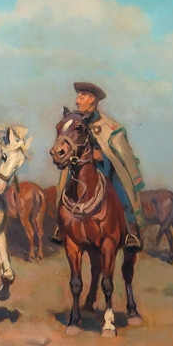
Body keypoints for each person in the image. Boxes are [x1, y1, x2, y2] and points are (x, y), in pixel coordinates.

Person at [53, 82, 146, 252]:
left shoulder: (110, 128)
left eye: (81, 97)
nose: (77, 101)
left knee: (121, 190)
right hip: (79, 168)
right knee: (64, 187)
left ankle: (131, 231)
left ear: (92, 99)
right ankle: (61, 227)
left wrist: (102, 156)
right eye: (78, 97)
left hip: (107, 169)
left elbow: (122, 157)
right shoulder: (74, 122)